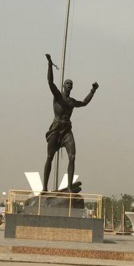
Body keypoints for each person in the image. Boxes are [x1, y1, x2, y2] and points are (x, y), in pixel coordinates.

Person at [42, 53, 98, 192]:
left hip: (67, 131)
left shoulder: (72, 102)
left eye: (71, 84)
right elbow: (50, 82)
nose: (69, 85)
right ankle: (44, 187)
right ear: (63, 85)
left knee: (72, 157)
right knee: (50, 157)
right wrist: (49, 64)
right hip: (56, 129)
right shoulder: (57, 96)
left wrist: (93, 91)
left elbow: (84, 103)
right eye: (67, 83)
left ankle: (68, 187)